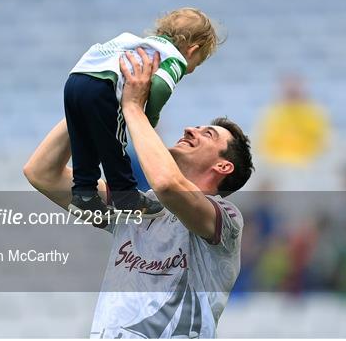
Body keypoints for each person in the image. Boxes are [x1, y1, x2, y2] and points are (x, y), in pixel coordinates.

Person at [24, 48, 254, 337]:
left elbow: (168, 185)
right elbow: (42, 173)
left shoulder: (227, 219)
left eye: (207, 134)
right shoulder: (138, 206)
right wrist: (97, 99)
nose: (189, 130)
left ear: (223, 166)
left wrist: (132, 107)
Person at [65, 7, 222, 218]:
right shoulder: (175, 58)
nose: (192, 69)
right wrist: (149, 117)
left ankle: (84, 195)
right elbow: (160, 86)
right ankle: (126, 197)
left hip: (75, 80)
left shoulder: (136, 42)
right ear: (192, 50)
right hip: (104, 88)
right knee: (114, 144)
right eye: (198, 62)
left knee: (83, 142)